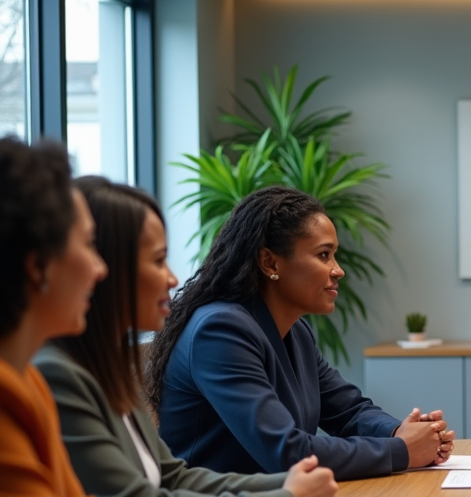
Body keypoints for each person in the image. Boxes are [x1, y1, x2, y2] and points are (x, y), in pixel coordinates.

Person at [0, 137, 348, 497]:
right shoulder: (36, 384)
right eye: (87, 249)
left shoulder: (41, 381)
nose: (98, 269)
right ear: (36, 266)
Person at [35, 177, 338, 497]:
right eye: (158, 260)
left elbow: (173, 478)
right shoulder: (58, 375)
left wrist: (289, 487)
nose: (172, 278)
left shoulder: (105, 366)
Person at [148, 187, 454, 480]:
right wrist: (401, 450)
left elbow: (348, 411)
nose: (338, 270)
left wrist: (402, 432)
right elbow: (285, 451)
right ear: (270, 262)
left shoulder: (295, 332)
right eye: (324, 255)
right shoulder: (220, 332)